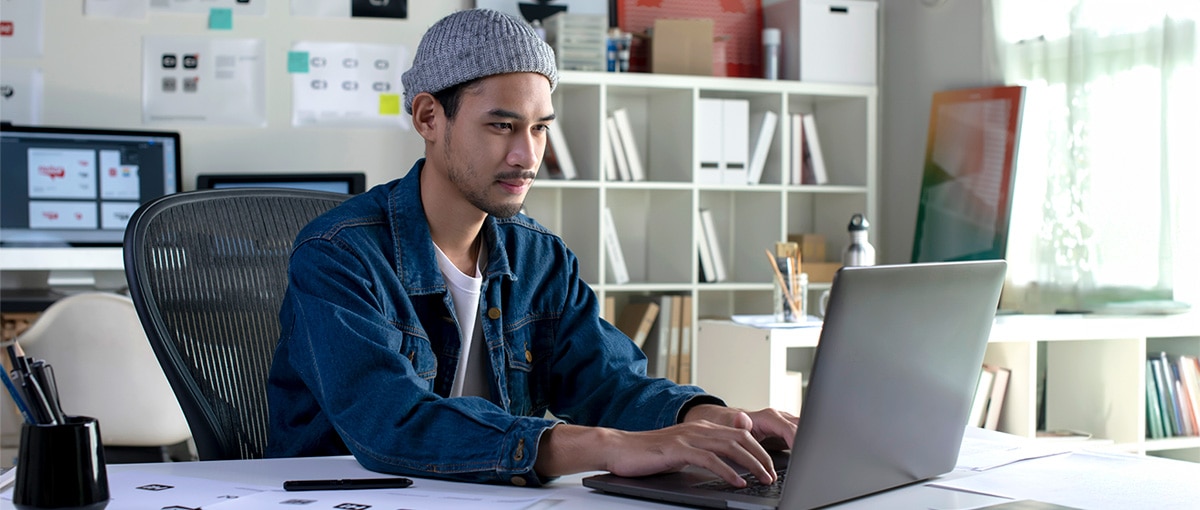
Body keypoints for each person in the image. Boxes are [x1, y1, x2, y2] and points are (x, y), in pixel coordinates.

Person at [266, 8, 797, 488]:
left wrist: (704, 418)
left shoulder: (540, 257)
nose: (527, 155)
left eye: (541, 128)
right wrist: (608, 445)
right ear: (429, 118)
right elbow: (391, 422)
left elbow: (608, 383)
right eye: (502, 125)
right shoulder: (338, 254)